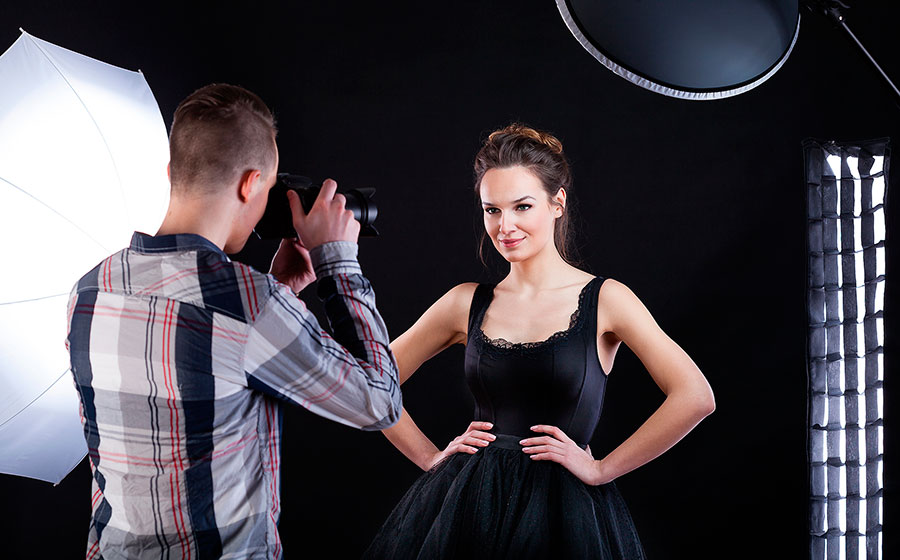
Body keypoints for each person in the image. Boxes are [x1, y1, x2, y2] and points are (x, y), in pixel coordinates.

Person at [65, 83, 402, 559]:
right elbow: (380, 402)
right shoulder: (247, 303)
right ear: (250, 184)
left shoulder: (90, 289)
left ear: (171, 173)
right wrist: (338, 265)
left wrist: (281, 293)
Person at [363, 124, 715, 559]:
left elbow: (695, 396)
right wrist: (429, 458)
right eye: (492, 210)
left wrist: (602, 469)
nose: (505, 225)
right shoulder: (465, 302)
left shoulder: (607, 299)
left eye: (522, 206)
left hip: (566, 515)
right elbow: (369, 380)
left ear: (557, 203)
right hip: (469, 506)